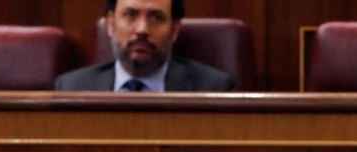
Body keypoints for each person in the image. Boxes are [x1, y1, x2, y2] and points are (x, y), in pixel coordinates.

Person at [54, 0, 235, 92]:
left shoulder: (213, 89)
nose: (142, 29)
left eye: (156, 17)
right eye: (131, 15)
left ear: (175, 31)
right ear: (110, 25)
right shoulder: (72, 88)